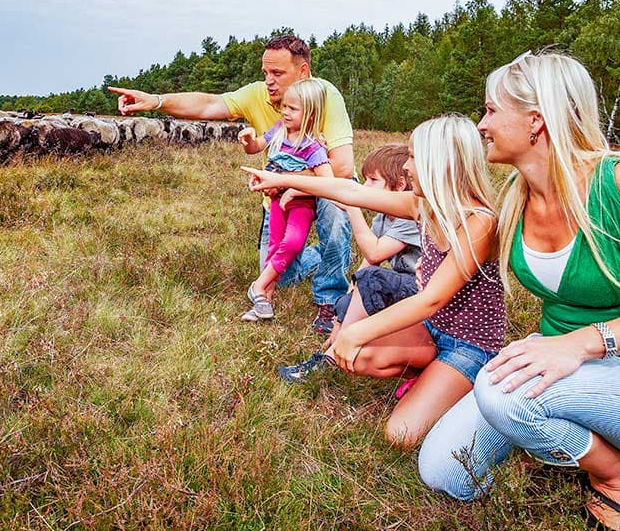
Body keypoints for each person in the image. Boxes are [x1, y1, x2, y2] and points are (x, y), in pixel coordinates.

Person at [417, 52, 620, 531]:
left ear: (536, 120)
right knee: (444, 471)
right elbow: (424, 203)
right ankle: (569, 434)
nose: (481, 125)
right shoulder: (516, 194)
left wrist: (577, 344)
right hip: (568, 366)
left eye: (491, 110)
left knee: (501, 392)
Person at [244, 114, 507, 450]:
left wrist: (356, 331)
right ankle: (432, 374)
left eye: (414, 157)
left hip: (470, 346)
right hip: (431, 329)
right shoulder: (423, 206)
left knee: (400, 435)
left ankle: (468, 389)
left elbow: (431, 299)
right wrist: (277, 178)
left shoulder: (479, 222)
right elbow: (349, 190)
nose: (408, 167)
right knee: (360, 358)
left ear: (440, 162)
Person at [108, 35, 354, 332]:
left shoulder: (326, 95)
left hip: (323, 184)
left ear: (303, 73)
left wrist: (286, 182)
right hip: (277, 194)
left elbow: (341, 168)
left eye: (278, 74)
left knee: (337, 212)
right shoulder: (259, 96)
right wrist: (157, 101)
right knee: (283, 274)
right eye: (265, 73)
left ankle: (329, 300)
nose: (269, 82)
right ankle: (327, 253)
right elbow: (210, 104)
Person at [278, 143, 422, 383]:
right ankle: (333, 351)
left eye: (373, 180)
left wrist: (353, 209)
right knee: (357, 286)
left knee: (371, 281)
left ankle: (329, 360)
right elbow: (364, 269)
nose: (365, 188)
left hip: (422, 292)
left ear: (399, 185)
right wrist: (341, 314)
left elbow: (375, 254)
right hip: (406, 288)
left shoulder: (411, 218)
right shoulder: (382, 218)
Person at [238, 79, 334, 321]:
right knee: (274, 247)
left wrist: (294, 188)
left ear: (311, 114)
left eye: (293, 109)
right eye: (285, 106)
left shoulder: (313, 148)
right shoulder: (279, 129)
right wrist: (249, 139)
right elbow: (257, 146)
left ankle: (258, 286)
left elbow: (329, 182)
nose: (285, 112)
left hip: (300, 204)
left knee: (292, 242)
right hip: (276, 201)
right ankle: (263, 301)